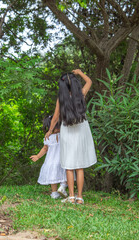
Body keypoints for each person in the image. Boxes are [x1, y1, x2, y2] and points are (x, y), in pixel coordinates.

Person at [45, 69, 97, 204]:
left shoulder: (61, 99)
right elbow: (89, 81)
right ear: (74, 83)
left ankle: (72, 196)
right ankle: (80, 197)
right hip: (82, 130)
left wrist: (50, 131)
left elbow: (55, 117)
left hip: (67, 131)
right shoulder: (80, 94)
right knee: (80, 167)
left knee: (69, 165)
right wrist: (79, 73)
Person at [30, 115, 68, 199]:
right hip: (62, 159)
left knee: (53, 177)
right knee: (64, 173)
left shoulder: (48, 137)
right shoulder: (64, 135)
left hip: (51, 161)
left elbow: (45, 148)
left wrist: (38, 156)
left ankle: (54, 193)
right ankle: (63, 186)